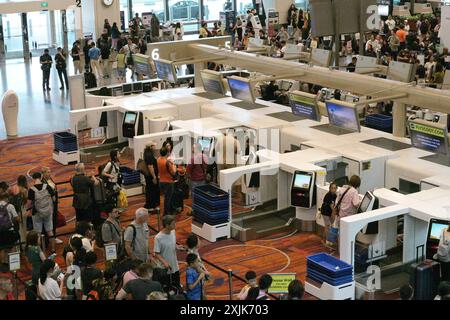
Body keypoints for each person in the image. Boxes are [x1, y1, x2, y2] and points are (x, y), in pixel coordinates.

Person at [28, 172, 56, 253]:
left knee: (38, 233)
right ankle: (53, 249)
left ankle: (40, 251)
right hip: (48, 212)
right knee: (50, 231)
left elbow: (29, 204)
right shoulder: (47, 187)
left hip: (37, 213)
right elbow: (54, 199)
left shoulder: (31, 189)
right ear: (41, 177)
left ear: (33, 179)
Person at [154, 215, 185, 287]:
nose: (175, 225)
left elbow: (172, 243)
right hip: (165, 267)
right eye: (173, 224)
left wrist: (177, 247)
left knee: (176, 283)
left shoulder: (173, 232)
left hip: (174, 264)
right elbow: (156, 253)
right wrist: (165, 262)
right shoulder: (158, 238)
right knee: (167, 285)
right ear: (167, 225)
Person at [41, 167, 62, 245]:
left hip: (54, 203)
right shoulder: (42, 182)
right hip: (48, 204)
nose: (49, 173)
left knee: (54, 219)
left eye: (50, 172)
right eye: (48, 172)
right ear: (43, 173)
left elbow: (54, 190)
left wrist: (57, 198)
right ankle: (47, 239)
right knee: (48, 221)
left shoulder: (50, 179)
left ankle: (54, 237)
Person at [0, 192, 19, 266]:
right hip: (9, 230)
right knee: (12, 246)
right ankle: (13, 265)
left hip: (0, 230)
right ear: (6, 198)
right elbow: (17, 218)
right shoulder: (10, 206)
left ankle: (3, 264)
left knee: (2, 248)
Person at [158, 147, 177, 216]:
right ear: (167, 153)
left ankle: (167, 212)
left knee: (165, 198)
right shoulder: (168, 162)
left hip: (161, 181)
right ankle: (167, 214)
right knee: (168, 199)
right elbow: (174, 172)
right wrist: (174, 166)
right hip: (168, 182)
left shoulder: (158, 160)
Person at [8, 175, 28, 243]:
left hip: (13, 210)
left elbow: (9, 196)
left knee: (15, 226)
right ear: (25, 181)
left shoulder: (13, 188)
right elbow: (25, 201)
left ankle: (16, 242)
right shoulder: (24, 190)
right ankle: (23, 243)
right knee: (22, 228)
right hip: (21, 210)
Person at [143, 143, 160, 210]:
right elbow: (150, 166)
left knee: (150, 190)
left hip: (149, 176)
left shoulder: (146, 153)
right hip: (151, 176)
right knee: (152, 190)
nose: (155, 147)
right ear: (151, 147)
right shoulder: (149, 155)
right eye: (154, 146)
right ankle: (151, 205)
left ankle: (151, 204)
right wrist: (154, 177)